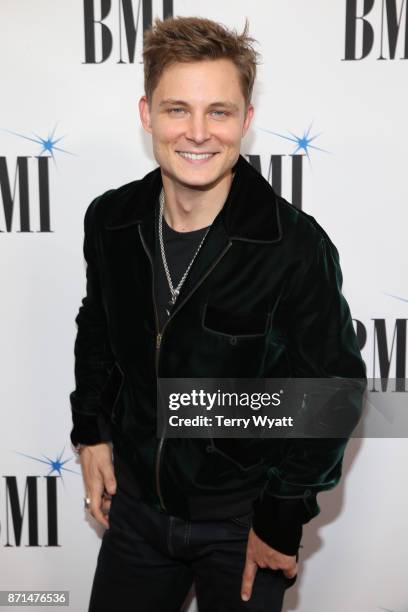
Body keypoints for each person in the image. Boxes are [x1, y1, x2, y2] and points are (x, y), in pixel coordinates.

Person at [69, 16, 366, 612]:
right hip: (136, 516)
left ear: (246, 120)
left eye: (220, 112)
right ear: (147, 113)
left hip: (243, 523)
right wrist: (92, 431)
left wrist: (281, 517)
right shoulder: (112, 220)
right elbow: (97, 325)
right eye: (177, 109)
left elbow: (333, 393)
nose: (198, 133)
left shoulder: (293, 246)